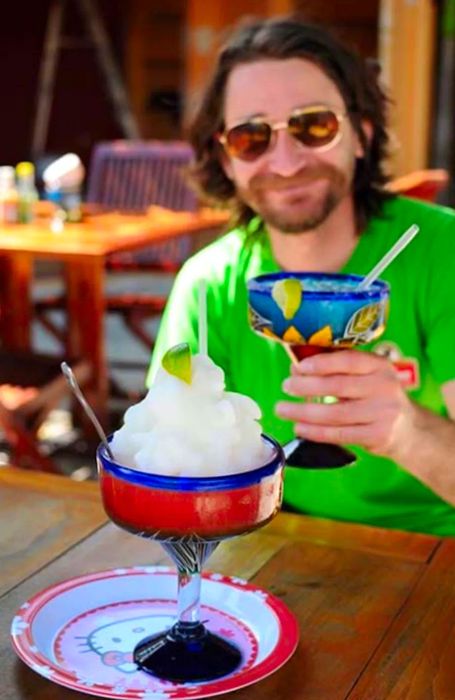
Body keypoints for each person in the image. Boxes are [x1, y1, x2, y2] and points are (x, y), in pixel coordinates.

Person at [148, 15, 455, 536]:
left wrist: (406, 432)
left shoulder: (442, 252)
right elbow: (167, 465)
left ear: (361, 134)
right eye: (251, 137)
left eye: (314, 125)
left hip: (429, 553)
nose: (286, 161)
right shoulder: (208, 284)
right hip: (269, 546)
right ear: (226, 159)